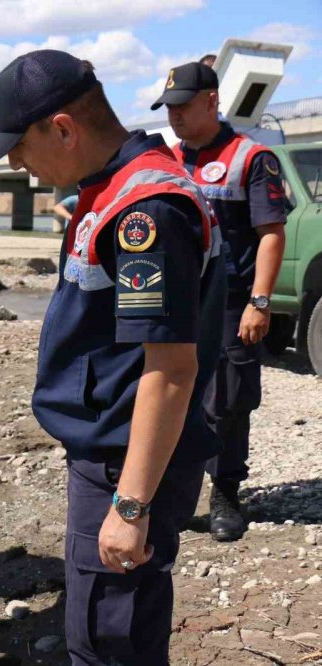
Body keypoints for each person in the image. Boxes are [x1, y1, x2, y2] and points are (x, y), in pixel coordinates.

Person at [0, 50, 224, 665]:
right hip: (112, 447)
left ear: (62, 128)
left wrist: (130, 506)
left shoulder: (145, 212)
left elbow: (171, 369)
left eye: (18, 145)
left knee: (108, 640)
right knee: (112, 628)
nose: (14, 162)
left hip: (125, 459)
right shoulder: (109, 188)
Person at [152, 61, 287, 542]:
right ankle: (179, 492)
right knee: (173, 395)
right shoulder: (166, 160)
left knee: (228, 401)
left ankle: (226, 491)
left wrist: (261, 302)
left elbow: (271, 233)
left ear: (211, 100)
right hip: (179, 301)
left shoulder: (251, 157)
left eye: (183, 106)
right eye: (168, 108)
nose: (174, 116)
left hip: (231, 302)